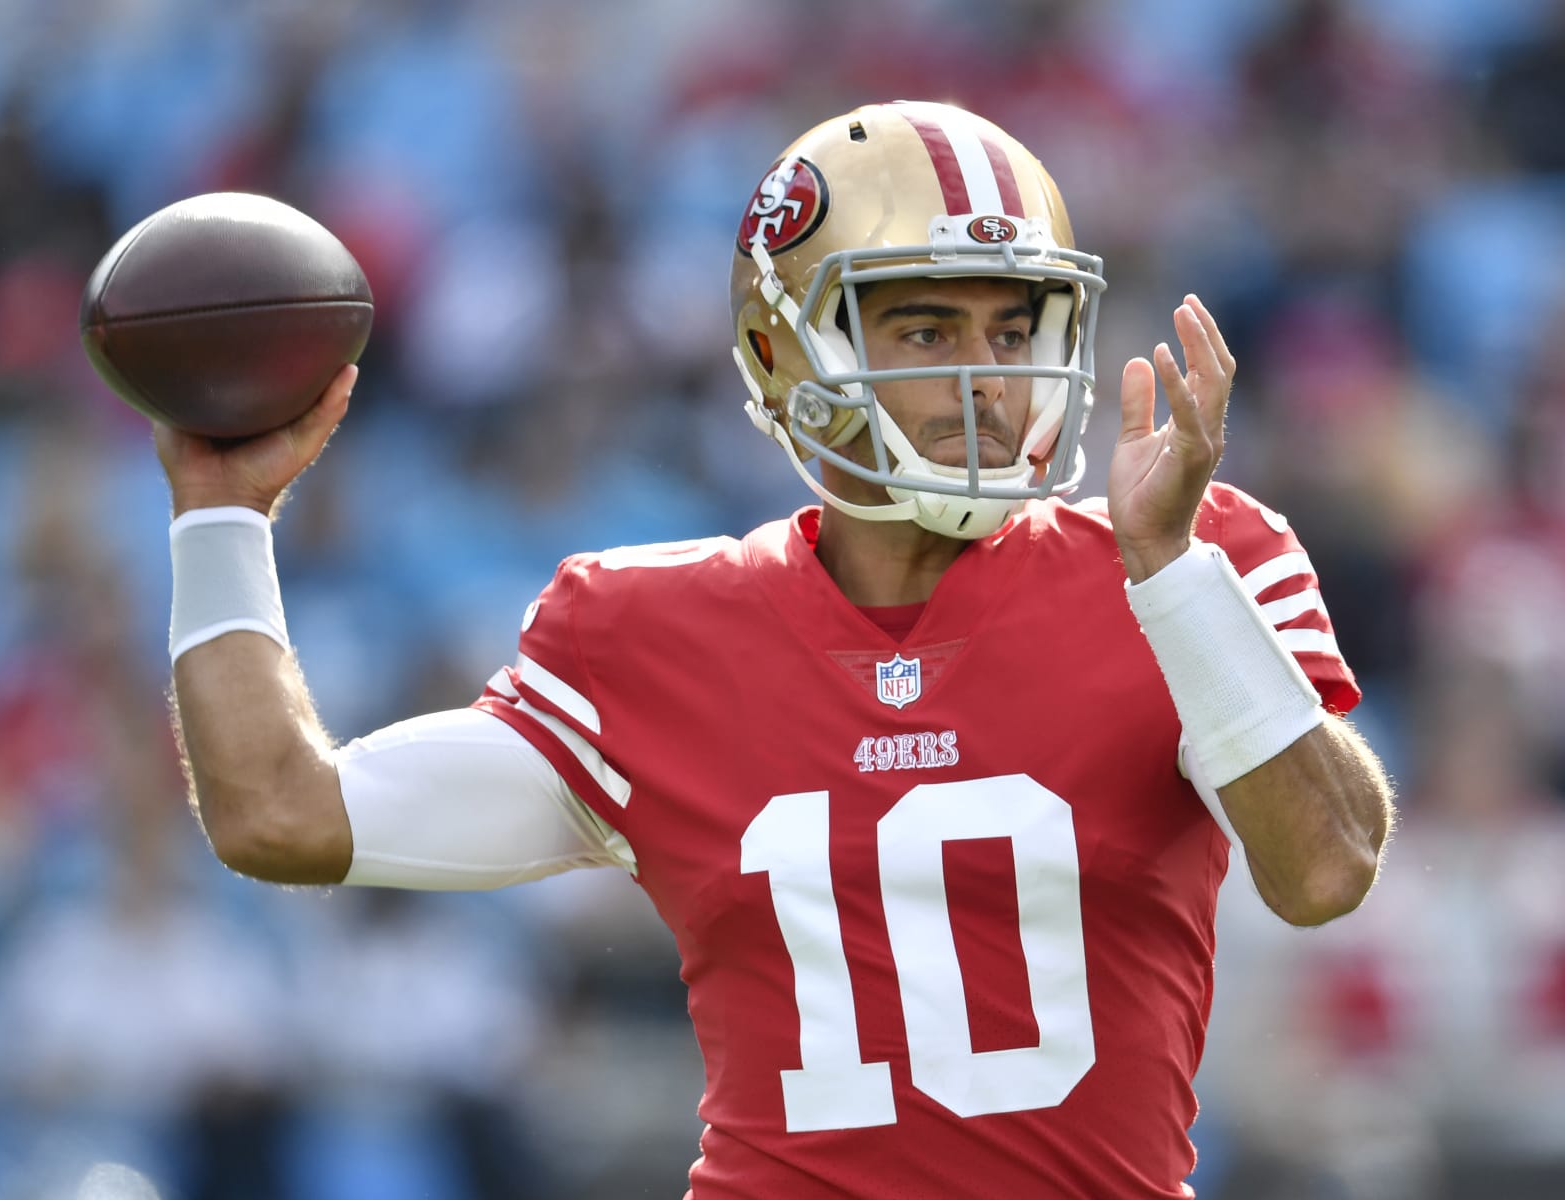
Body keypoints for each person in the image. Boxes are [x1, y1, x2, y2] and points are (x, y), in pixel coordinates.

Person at [157, 100, 1394, 1199]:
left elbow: (1327, 869)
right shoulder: (647, 632)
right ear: (782, 352)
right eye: (923, 332)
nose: (988, 381)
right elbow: (280, 814)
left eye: (1014, 330)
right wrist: (219, 512)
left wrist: (1171, 576)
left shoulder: (1189, 558)